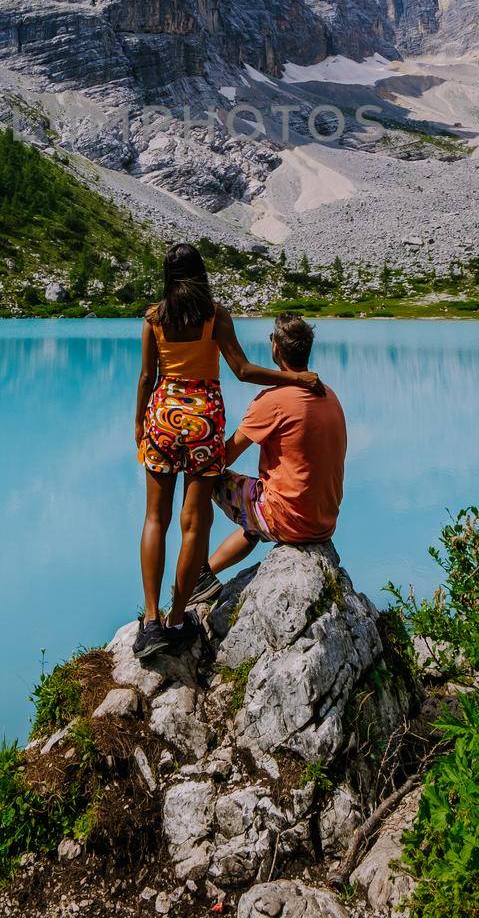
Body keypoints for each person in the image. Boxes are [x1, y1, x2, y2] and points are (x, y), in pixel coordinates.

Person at [134, 246, 322, 662]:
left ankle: (149, 623)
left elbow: (148, 376)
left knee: (154, 518)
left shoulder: (153, 319)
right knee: (193, 521)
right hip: (203, 421)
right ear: (200, 275)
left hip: (162, 417)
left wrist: (138, 424)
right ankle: (177, 620)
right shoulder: (215, 315)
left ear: (167, 277)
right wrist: (296, 378)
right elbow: (242, 370)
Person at [186, 314, 346, 607]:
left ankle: (193, 578)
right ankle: (204, 573)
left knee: (202, 476)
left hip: (288, 520)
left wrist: (191, 452)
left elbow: (224, 457)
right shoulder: (329, 395)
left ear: (276, 350)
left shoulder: (272, 401)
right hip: (323, 521)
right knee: (253, 519)